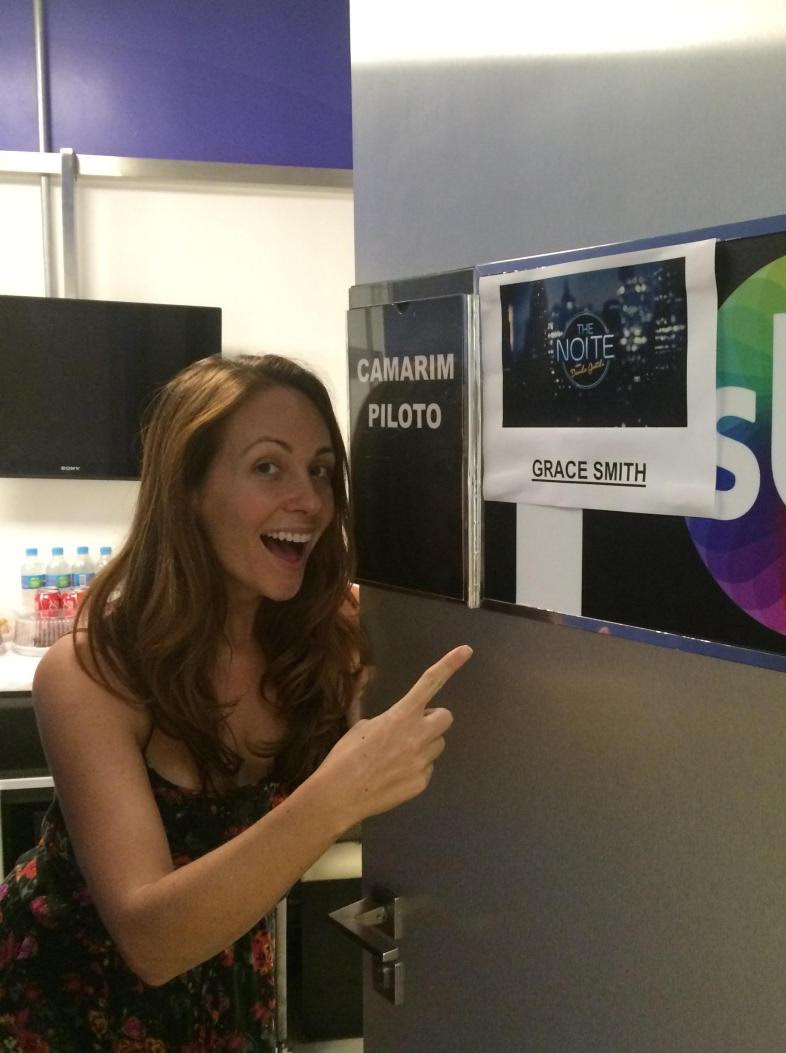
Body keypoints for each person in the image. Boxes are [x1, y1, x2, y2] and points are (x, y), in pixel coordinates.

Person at [0, 354, 470, 1051]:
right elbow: (151, 941)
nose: (309, 501)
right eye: (268, 467)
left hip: (231, 991)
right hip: (70, 1005)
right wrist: (340, 790)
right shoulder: (90, 673)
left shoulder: (326, 636)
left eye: (320, 470)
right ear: (188, 489)